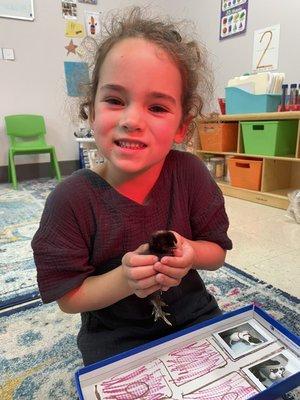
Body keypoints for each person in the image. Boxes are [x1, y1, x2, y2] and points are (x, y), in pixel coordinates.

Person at [32, 7, 232, 367]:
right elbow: (69, 296)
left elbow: (216, 252)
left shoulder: (190, 174)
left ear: (181, 127)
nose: (131, 120)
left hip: (194, 317)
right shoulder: (70, 200)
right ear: (91, 111)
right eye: (114, 100)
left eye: (156, 107)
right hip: (114, 339)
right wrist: (125, 279)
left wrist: (190, 253)